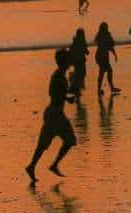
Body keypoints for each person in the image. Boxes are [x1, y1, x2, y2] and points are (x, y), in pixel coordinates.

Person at [25, 48, 76, 182]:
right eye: (68, 59)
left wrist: (67, 95)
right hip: (56, 113)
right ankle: (52, 165)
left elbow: (56, 92)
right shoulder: (58, 76)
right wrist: (67, 97)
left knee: (44, 143)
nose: (71, 61)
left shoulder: (60, 75)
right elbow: (53, 93)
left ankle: (32, 166)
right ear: (64, 61)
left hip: (53, 112)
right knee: (70, 140)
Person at [94, 22, 120, 95]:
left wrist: (115, 54)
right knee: (103, 71)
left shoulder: (102, 35)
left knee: (106, 71)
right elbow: (110, 45)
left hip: (102, 55)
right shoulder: (104, 35)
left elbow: (110, 46)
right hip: (101, 56)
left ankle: (108, 88)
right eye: (106, 27)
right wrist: (114, 54)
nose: (107, 28)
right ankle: (102, 89)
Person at [68, 28, 89, 94]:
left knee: (79, 74)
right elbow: (85, 50)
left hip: (78, 60)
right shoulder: (80, 41)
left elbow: (72, 49)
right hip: (79, 60)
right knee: (81, 74)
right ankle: (76, 88)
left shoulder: (77, 41)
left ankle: (76, 88)